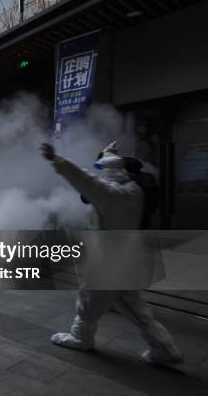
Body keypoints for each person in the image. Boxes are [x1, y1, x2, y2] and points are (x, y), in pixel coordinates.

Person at [40, 141, 183, 366]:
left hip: (105, 260)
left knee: (88, 302)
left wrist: (57, 160)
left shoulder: (107, 193)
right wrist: (108, 154)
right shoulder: (134, 190)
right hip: (128, 257)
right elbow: (100, 178)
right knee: (136, 309)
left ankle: (81, 337)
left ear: (105, 172)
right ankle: (164, 348)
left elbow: (84, 178)